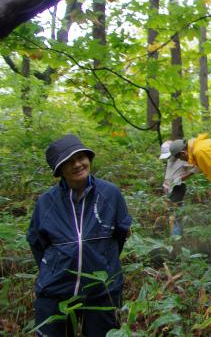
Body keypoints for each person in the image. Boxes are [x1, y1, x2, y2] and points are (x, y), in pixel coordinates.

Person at [27, 135, 132, 336]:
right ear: (60, 170)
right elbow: (36, 241)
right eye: (68, 162)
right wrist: (56, 266)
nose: (77, 164)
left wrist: (103, 261)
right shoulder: (47, 202)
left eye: (80, 157)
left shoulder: (110, 194)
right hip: (56, 289)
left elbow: (120, 234)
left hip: (102, 288)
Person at [168, 135, 211, 216]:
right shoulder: (200, 146)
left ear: (183, 153)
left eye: (179, 158)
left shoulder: (200, 152)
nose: (181, 160)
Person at [159, 139, 197, 236]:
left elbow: (196, 167)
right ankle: (176, 234)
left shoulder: (182, 158)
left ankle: (176, 237)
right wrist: (165, 183)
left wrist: (181, 178)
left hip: (178, 187)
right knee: (173, 212)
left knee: (175, 213)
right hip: (169, 189)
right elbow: (169, 172)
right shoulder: (170, 159)